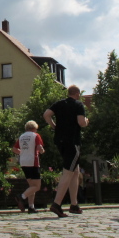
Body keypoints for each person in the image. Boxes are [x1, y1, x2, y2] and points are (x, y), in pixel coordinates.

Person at [43, 84, 89, 217]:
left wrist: (54, 126)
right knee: (68, 172)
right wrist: (87, 121)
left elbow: (46, 115)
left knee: (75, 171)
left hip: (60, 141)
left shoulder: (59, 104)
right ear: (77, 94)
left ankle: (74, 204)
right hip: (72, 142)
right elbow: (81, 122)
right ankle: (56, 204)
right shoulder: (78, 105)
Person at [12, 120, 45, 214]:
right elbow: (39, 148)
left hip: (23, 162)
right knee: (37, 186)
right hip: (33, 162)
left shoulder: (21, 136)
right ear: (34, 128)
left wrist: (22, 153)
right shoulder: (35, 135)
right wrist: (42, 151)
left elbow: (14, 149)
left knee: (32, 186)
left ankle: (31, 206)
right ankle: (21, 196)